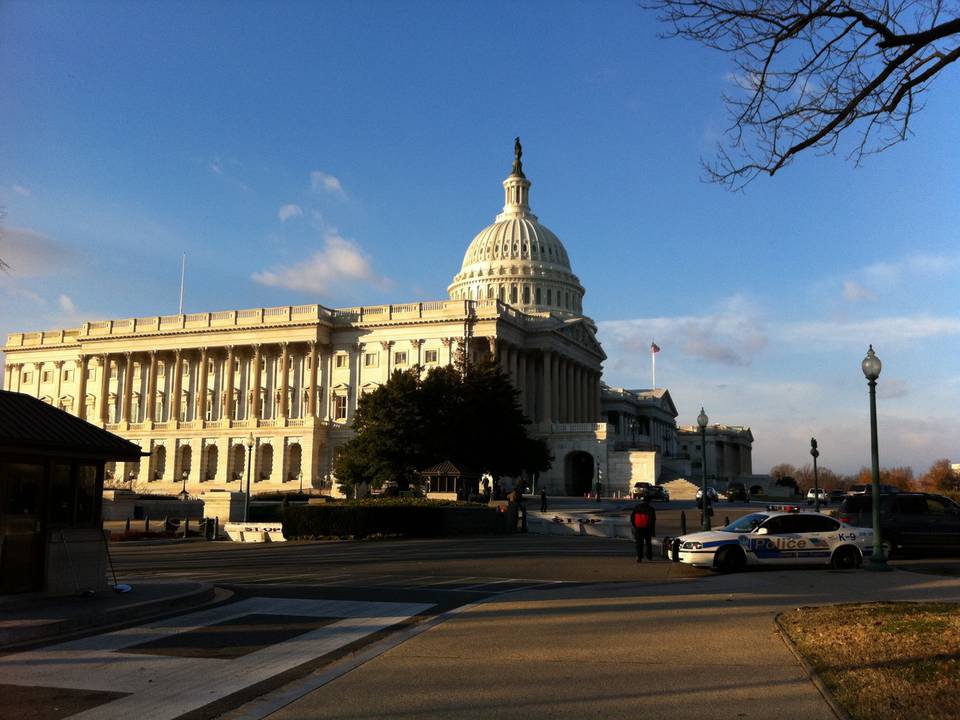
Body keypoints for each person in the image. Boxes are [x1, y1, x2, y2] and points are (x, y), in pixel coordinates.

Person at [629, 495, 656, 563]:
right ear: (649, 501)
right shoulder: (650, 509)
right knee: (648, 543)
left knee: (639, 543)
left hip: (638, 528)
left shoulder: (637, 507)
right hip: (647, 528)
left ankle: (639, 557)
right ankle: (649, 556)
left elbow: (632, 518)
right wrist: (652, 530)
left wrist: (635, 526)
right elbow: (652, 520)